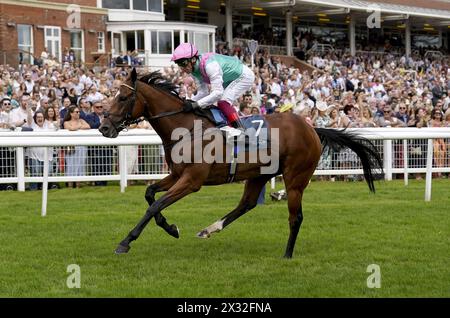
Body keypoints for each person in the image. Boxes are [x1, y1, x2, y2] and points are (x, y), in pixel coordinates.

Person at [170, 43, 255, 131]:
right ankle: (228, 126)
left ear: (193, 59)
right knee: (217, 103)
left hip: (244, 76)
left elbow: (218, 93)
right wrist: (190, 102)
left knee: (223, 102)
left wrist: (195, 105)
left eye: (183, 63)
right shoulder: (194, 71)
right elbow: (203, 92)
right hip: (229, 79)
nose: (182, 68)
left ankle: (241, 130)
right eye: (179, 64)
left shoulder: (210, 66)